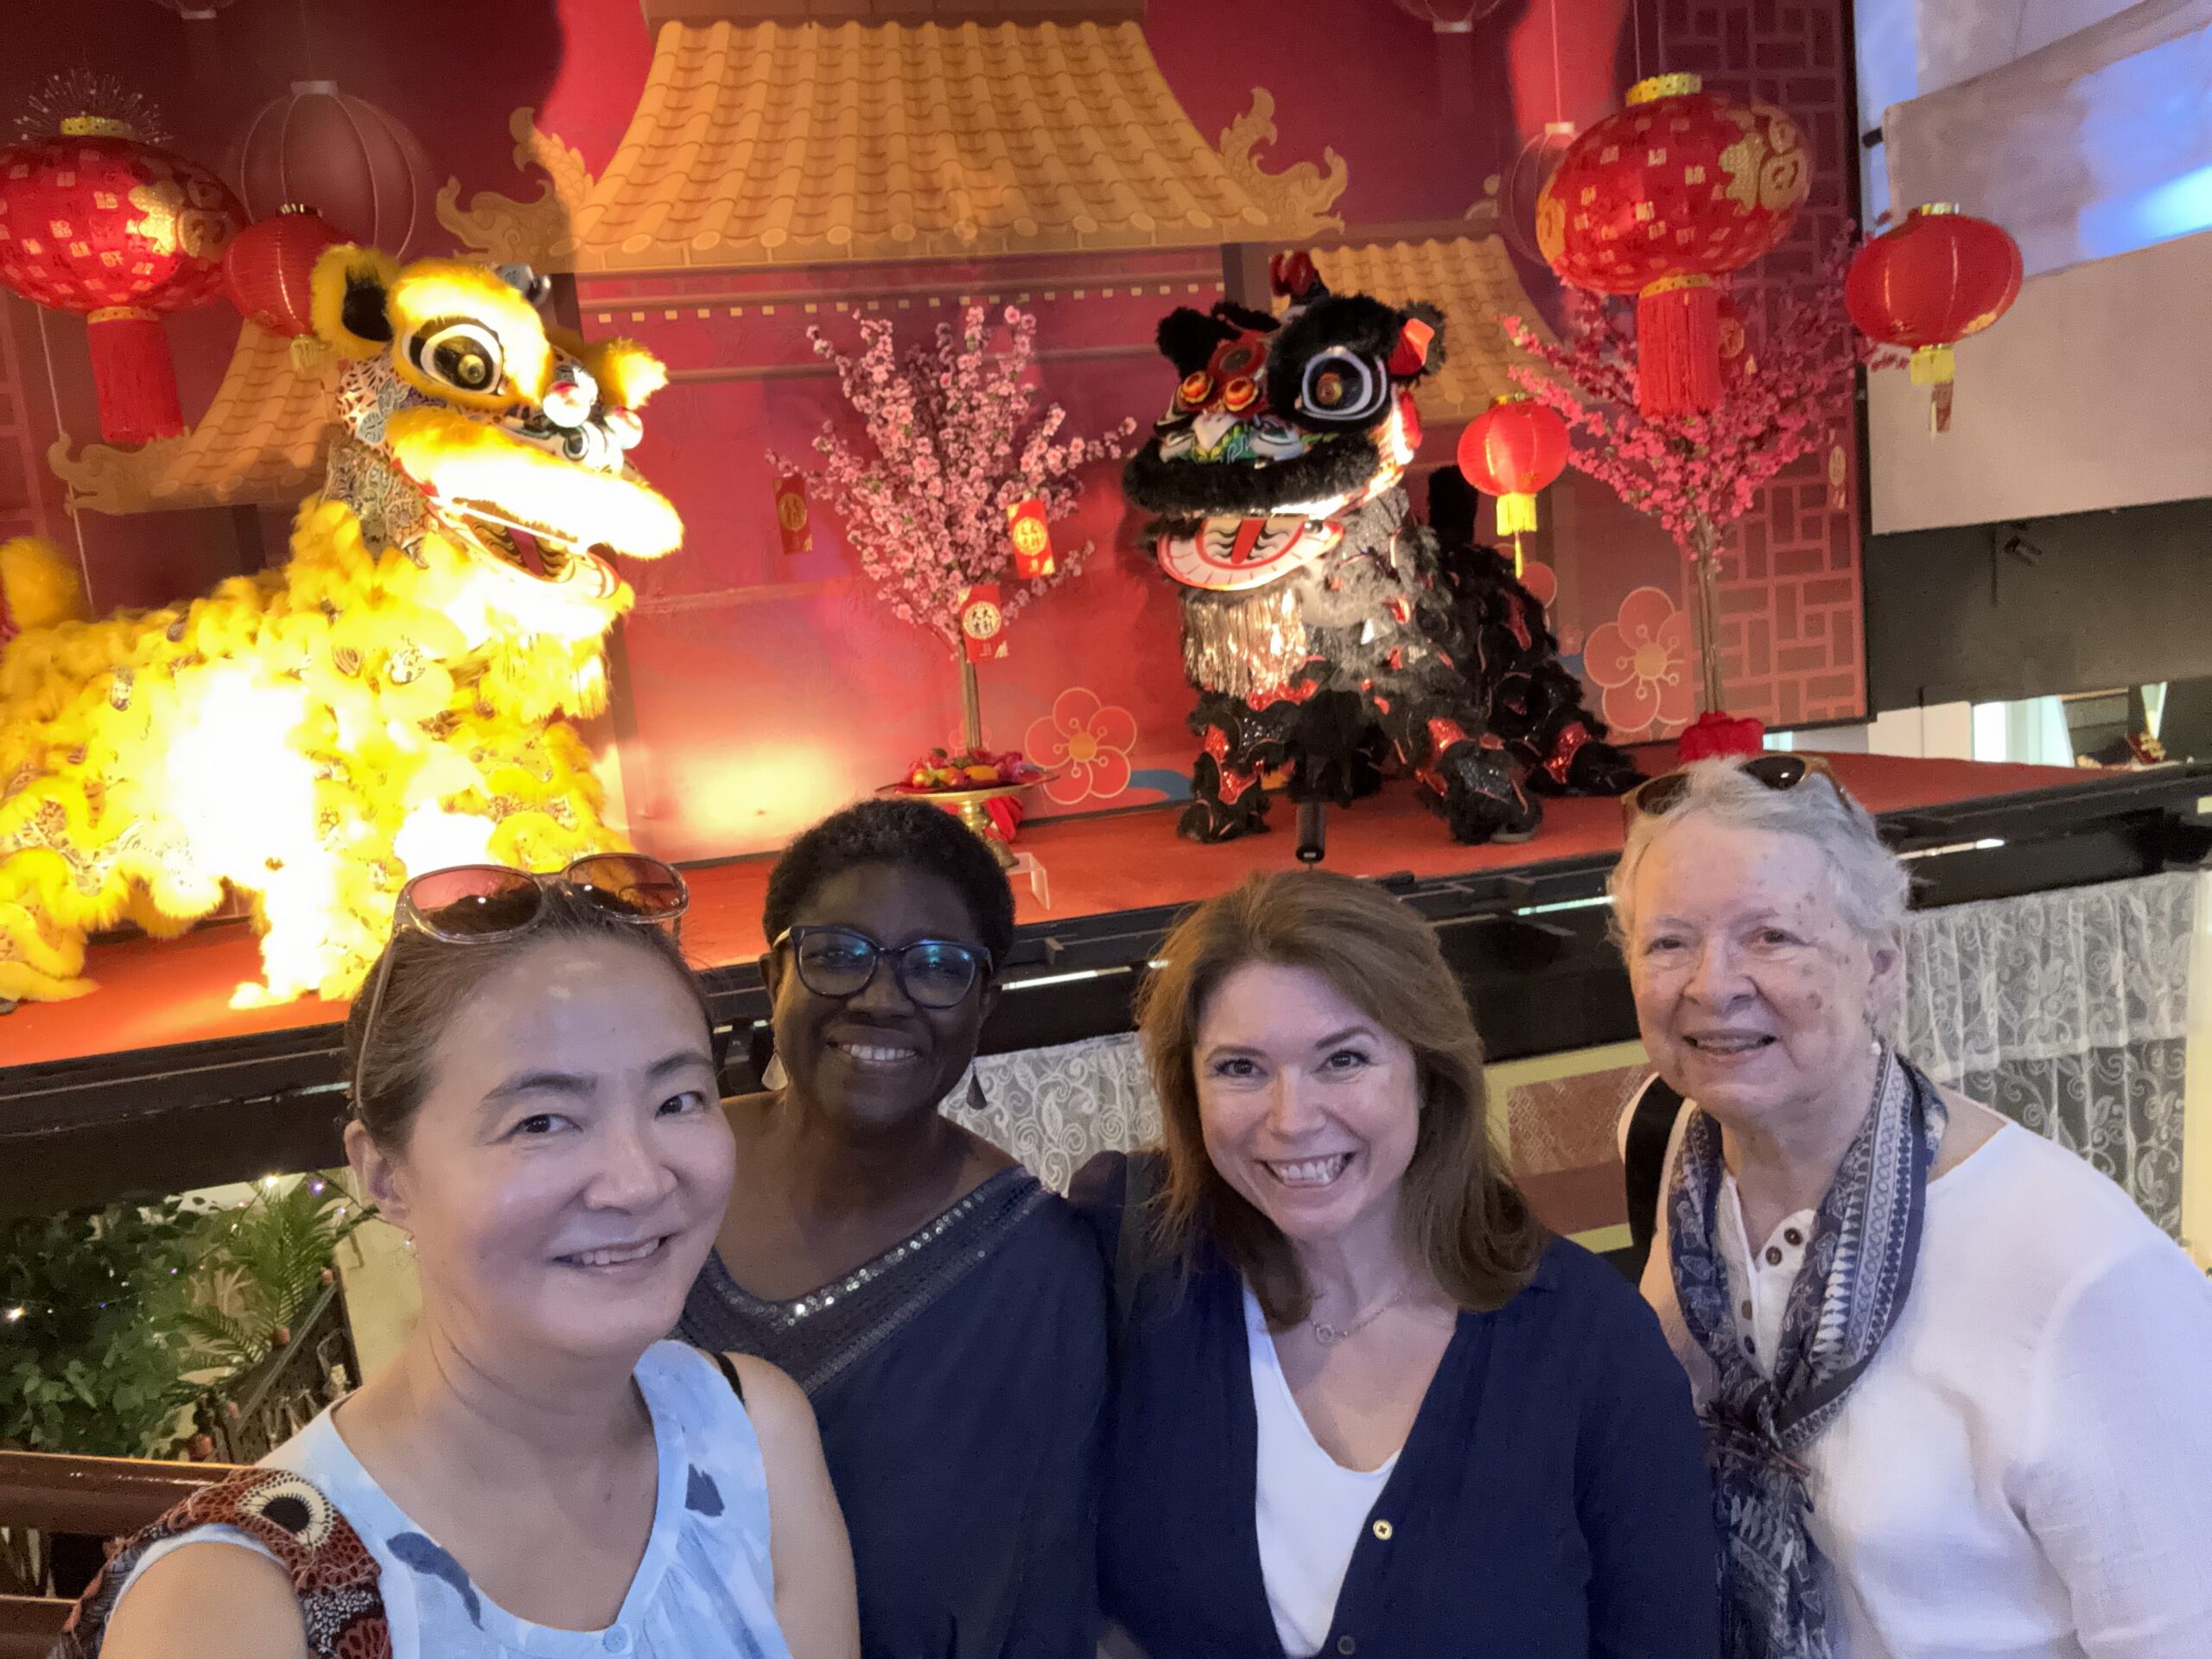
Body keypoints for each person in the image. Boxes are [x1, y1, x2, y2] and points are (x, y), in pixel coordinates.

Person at [69, 856, 857, 1659]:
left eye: (677, 1100)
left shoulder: (750, 1430)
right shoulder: (234, 1604)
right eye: (541, 1121)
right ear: (386, 1175)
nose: (638, 1181)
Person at [1612, 755, 2212, 1659]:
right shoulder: (1683, 1158)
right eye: (1668, 943)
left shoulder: (2082, 1275)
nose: (1712, 984)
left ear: (1882, 965)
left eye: (1771, 936)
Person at [1072, 868, 1719, 1659]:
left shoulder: (1594, 1348)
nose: (1291, 1119)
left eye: (1343, 1059)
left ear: (1427, 1076)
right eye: (1240, 1068)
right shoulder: (1132, 1262)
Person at [677, 799, 1107, 1659]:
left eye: (938, 967)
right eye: (837, 955)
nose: (880, 999)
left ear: (984, 1002)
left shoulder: (1036, 1270)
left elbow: (1035, 1596)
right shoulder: (664, 1176)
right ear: (773, 976)